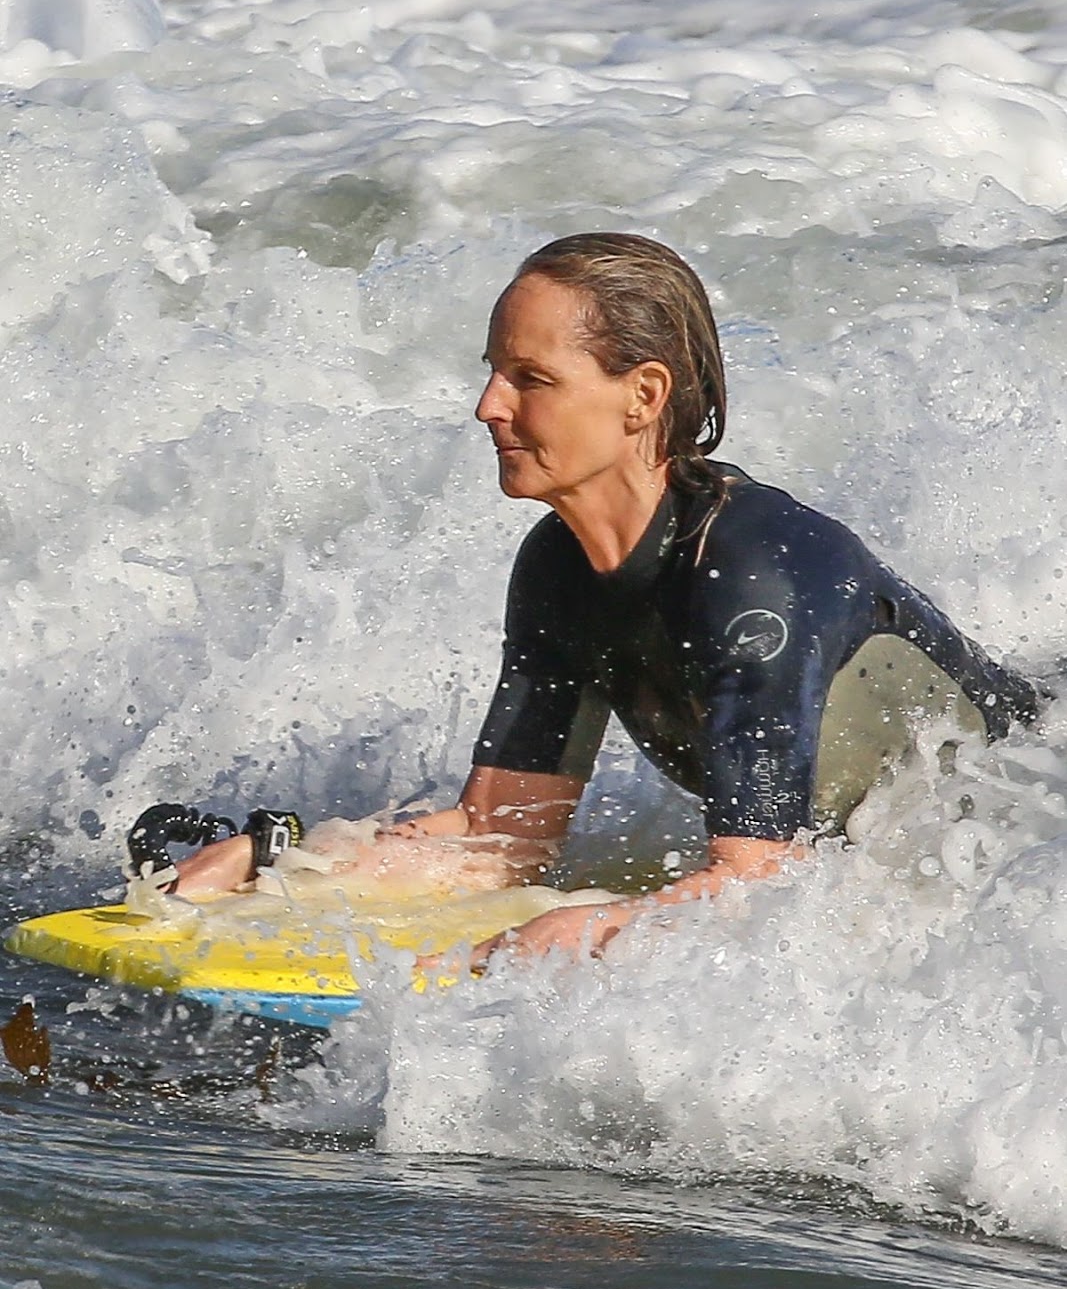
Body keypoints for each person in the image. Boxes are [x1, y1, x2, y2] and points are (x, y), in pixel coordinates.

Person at [128, 234, 1040, 969]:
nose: (488, 404)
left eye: (531, 378)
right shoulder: (558, 569)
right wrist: (284, 862)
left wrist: (595, 924)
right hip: (894, 852)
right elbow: (504, 840)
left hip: (1033, 837)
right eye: (493, 371)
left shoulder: (756, 575)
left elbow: (760, 885)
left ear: (642, 396)